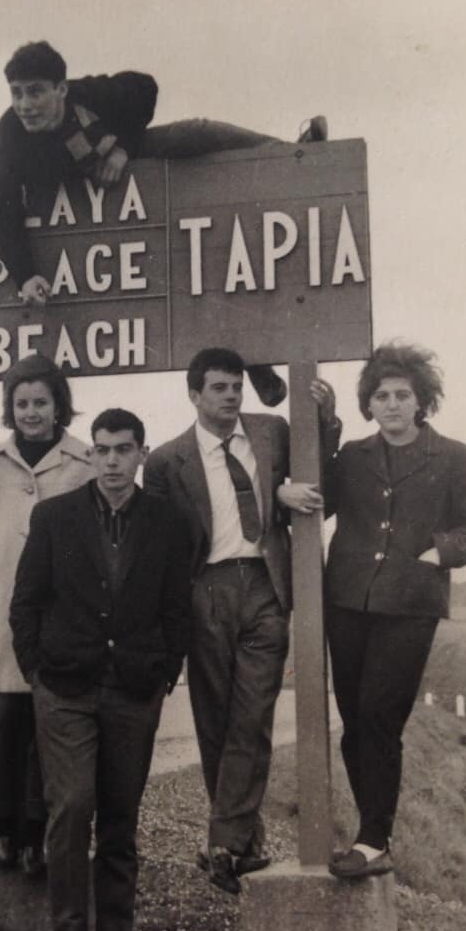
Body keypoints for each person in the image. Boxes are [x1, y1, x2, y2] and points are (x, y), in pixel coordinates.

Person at [0, 39, 327, 406]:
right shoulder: (7, 137)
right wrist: (24, 275)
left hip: (123, 161)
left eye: (35, 92)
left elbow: (145, 87)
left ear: (61, 89)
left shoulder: (90, 94)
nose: (25, 105)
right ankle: (257, 367)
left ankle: (292, 155)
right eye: (17, 94)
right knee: (174, 280)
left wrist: (123, 149)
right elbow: (2, 212)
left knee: (197, 138)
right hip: (81, 203)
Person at [143, 347, 340, 895]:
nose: (231, 397)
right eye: (219, 388)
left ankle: (222, 843)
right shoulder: (165, 460)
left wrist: (326, 419)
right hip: (204, 588)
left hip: (264, 584)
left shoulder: (272, 431)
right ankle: (242, 844)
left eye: (236, 387)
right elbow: (160, 539)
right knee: (215, 718)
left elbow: (317, 461)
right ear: (194, 394)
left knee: (253, 712)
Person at [10, 408, 192, 931]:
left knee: (119, 817)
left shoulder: (168, 521)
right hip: (64, 687)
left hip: (134, 690)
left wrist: (163, 671)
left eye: (124, 449)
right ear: (90, 454)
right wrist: (37, 673)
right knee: (71, 809)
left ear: (142, 453)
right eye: (103, 449)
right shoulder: (54, 517)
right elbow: (26, 604)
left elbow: (176, 607)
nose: (112, 460)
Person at [325, 343, 466, 880]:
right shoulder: (353, 456)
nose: (393, 405)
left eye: (403, 395)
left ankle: (375, 838)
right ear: (368, 404)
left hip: (411, 603)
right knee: (353, 722)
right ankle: (369, 836)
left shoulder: (456, 457)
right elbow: (322, 502)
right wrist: (322, 434)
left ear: (422, 401)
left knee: (379, 712)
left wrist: (437, 553)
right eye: (381, 396)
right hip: (348, 599)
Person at [0, 354, 92, 878]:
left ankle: (38, 835)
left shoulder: (83, 461)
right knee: (2, 727)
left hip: (59, 615)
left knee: (49, 728)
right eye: (21, 403)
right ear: (8, 409)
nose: (32, 413)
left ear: (60, 405)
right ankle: (6, 828)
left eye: (41, 402)